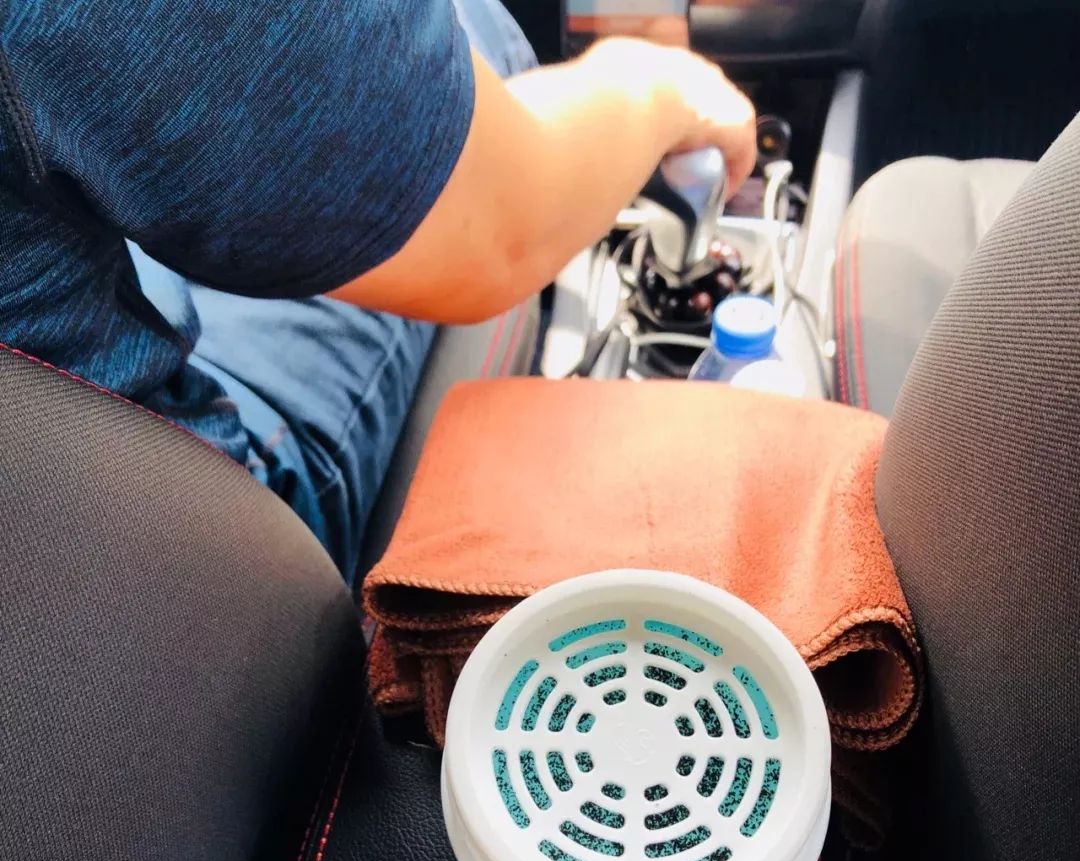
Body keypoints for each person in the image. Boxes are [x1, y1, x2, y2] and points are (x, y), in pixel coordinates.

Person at [0, 0, 756, 585]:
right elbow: (501, 225)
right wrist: (661, 85)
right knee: (476, 28)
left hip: (43, 502)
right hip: (175, 536)